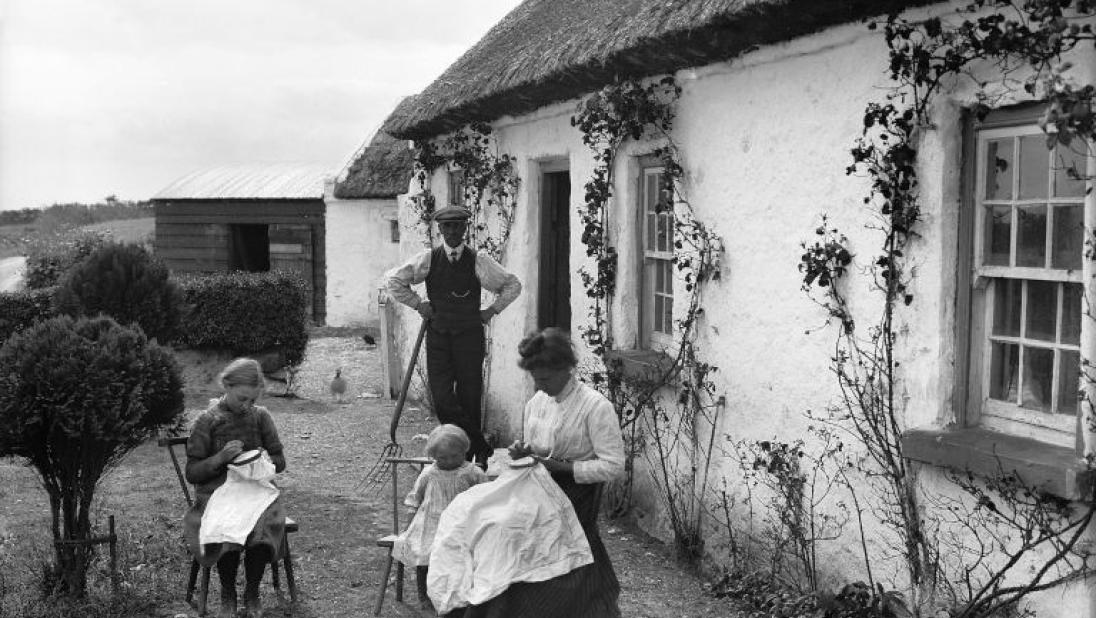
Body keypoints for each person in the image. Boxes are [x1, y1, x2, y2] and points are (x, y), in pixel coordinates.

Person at [465, 327, 625, 617]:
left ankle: (534, 606)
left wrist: (562, 467)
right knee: (484, 519)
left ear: (566, 369)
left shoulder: (595, 407)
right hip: (536, 486)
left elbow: (613, 465)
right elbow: (533, 451)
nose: (539, 386)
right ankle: (491, 604)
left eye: (545, 378)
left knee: (511, 530)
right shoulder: (536, 403)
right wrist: (522, 451)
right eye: (534, 379)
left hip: (575, 495)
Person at [386, 205, 522, 465]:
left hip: (470, 337)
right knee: (442, 399)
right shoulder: (428, 259)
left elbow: (512, 285)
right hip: (438, 336)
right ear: (440, 230)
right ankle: (479, 444)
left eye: (457, 226)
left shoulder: (479, 260)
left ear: (465, 229)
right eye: (447, 226)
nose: (452, 231)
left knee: (470, 396)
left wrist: (492, 310)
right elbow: (395, 281)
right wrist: (418, 304)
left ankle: (468, 456)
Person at [184, 358, 287, 618]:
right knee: (227, 526)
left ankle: (252, 592)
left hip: (255, 492)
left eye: (252, 400)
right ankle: (228, 594)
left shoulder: (261, 416)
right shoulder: (207, 421)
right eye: (242, 398)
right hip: (217, 494)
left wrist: (265, 461)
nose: (247, 405)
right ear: (227, 386)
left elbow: (280, 461)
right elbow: (192, 473)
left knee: (264, 524)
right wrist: (220, 458)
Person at [392, 424, 489, 612]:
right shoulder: (429, 474)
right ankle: (424, 595)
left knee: (460, 558)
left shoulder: (473, 473)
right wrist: (408, 523)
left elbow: (486, 496)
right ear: (433, 456)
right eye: (443, 458)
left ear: (465, 450)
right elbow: (414, 499)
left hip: (462, 525)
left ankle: (459, 592)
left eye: (455, 456)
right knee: (425, 555)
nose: (450, 461)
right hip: (431, 524)